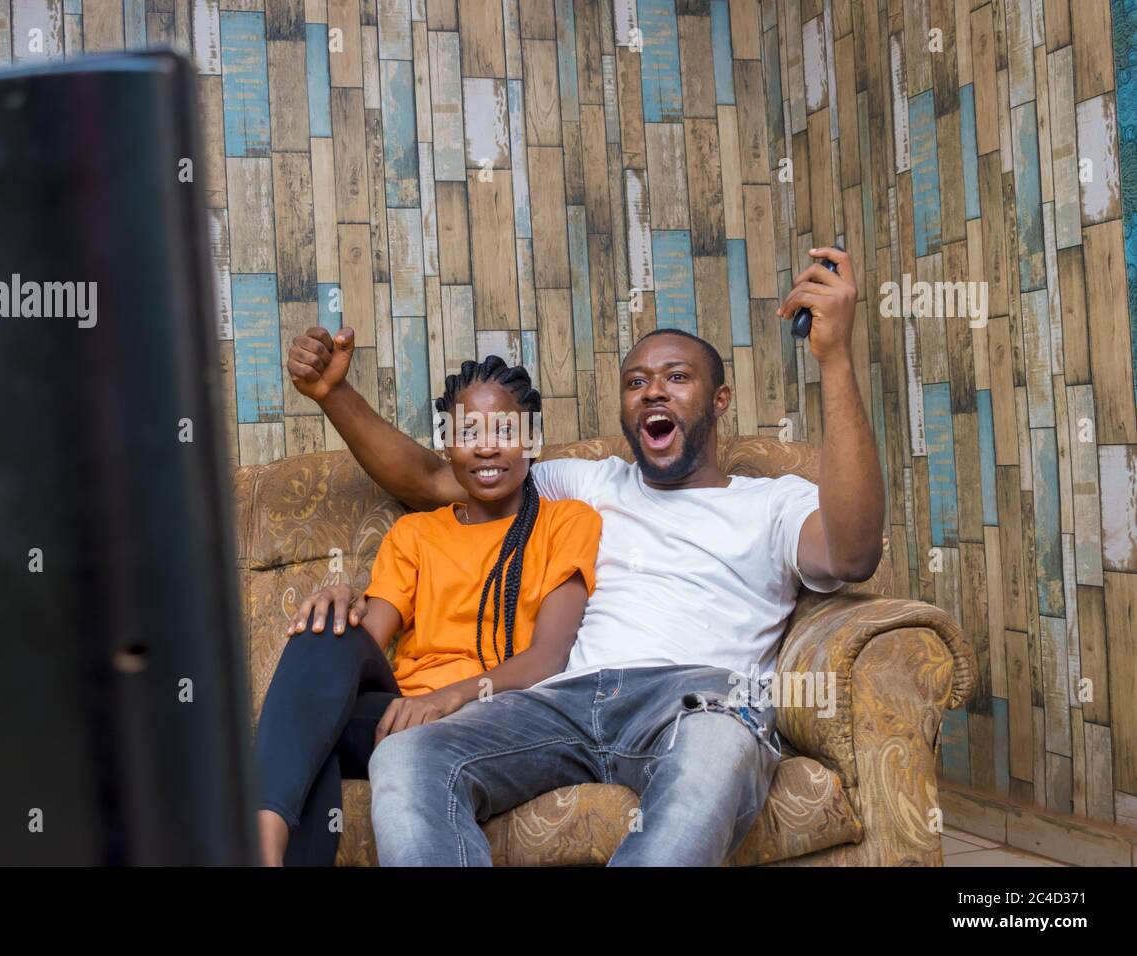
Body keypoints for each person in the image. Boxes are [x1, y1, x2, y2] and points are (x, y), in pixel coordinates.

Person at [284, 246, 884, 866]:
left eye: (677, 378)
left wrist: (834, 359)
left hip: (693, 705)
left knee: (719, 746)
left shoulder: (773, 502)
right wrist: (334, 394)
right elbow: (435, 479)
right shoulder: (589, 482)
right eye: (636, 382)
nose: (653, 391)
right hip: (560, 703)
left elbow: (853, 552)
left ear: (720, 400)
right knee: (408, 754)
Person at [255, 355, 602, 866]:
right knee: (324, 638)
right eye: (468, 432)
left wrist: (444, 699)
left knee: (309, 747)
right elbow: (365, 645)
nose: (486, 446)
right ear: (447, 446)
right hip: (396, 716)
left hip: (501, 719)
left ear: (533, 440)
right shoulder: (416, 534)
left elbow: (548, 659)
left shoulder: (566, 521)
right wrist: (341, 607)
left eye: (505, 429)